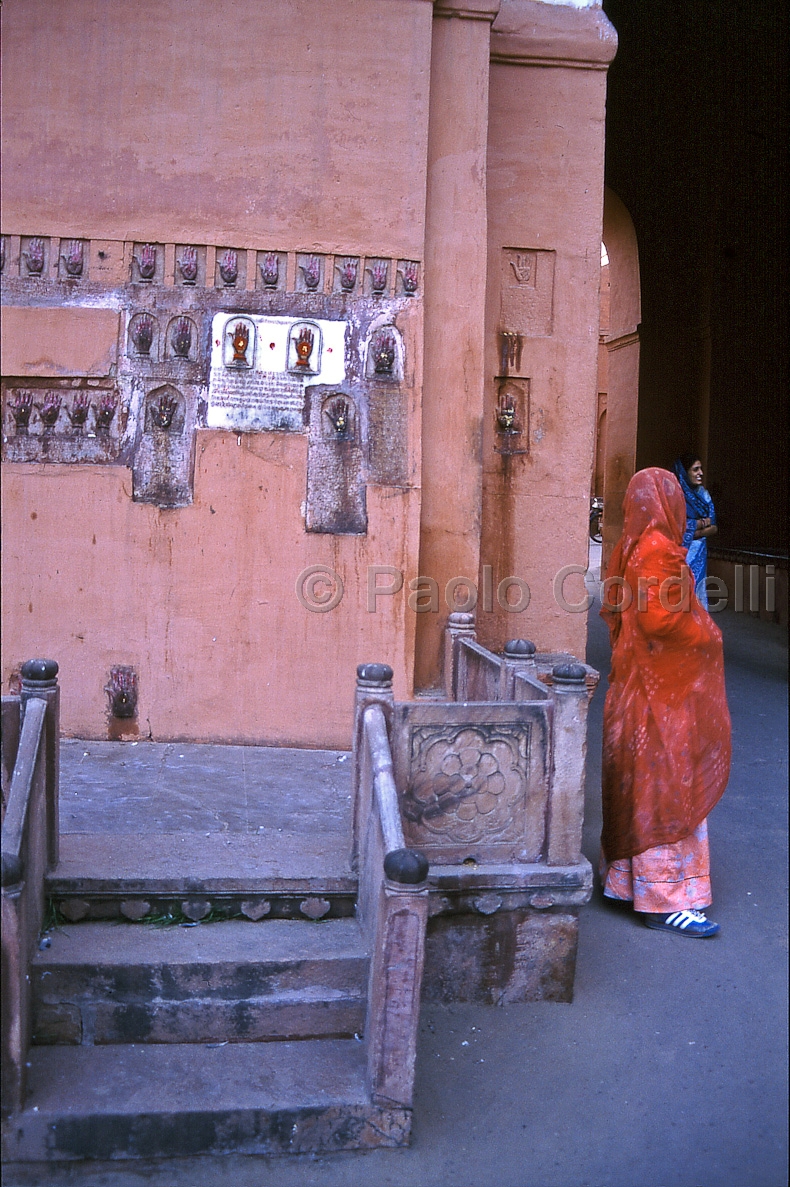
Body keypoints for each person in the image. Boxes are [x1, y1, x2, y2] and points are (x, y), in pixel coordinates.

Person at [600, 468, 731, 937]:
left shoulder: (628, 548)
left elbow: (618, 614)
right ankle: (664, 900)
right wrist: (708, 634)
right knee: (667, 785)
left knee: (639, 780)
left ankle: (625, 885)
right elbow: (660, 620)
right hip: (662, 692)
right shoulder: (658, 550)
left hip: (635, 684)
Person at [673, 453, 717, 609]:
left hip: (699, 553)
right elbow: (675, 525)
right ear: (685, 472)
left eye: (701, 469)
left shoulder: (703, 495)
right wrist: (701, 523)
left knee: (696, 592)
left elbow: (714, 527)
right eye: (695, 469)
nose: (701, 473)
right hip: (679, 552)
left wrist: (692, 531)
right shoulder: (675, 495)